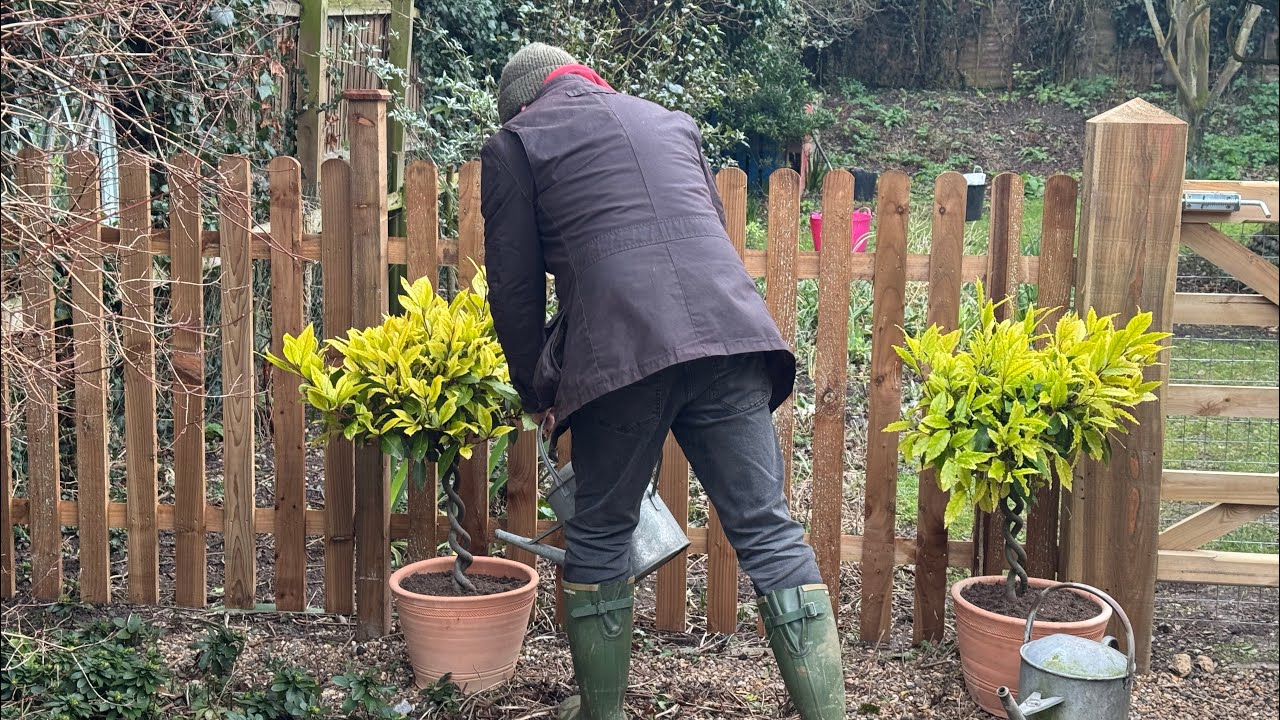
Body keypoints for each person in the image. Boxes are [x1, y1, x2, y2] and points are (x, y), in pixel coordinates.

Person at [480, 42, 846, 720]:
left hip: (622, 349)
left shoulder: (516, 145)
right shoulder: (670, 121)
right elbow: (700, 232)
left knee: (599, 533)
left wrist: (539, 394)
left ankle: (603, 713)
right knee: (768, 529)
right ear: (587, 79)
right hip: (727, 336)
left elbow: (515, 290)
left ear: (523, 105)